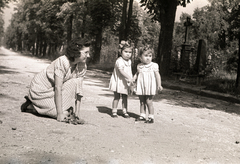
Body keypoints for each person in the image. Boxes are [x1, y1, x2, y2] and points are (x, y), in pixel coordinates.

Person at [21, 38, 91, 124]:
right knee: (64, 113)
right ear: (76, 51)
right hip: (40, 91)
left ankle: (45, 107)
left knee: (75, 82)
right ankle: (31, 106)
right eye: (86, 52)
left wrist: (77, 114)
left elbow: (79, 90)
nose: (88, 56)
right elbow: (58, 87)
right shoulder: (63, 62)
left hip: (53, 91)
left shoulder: (82, 66)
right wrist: (59, 114)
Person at [133, 45, 163, 123]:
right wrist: (133, 79)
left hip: (150, 86)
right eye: (146, 56)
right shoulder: (139, 66)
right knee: (142, 101)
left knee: (149, 101)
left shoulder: (154, 66)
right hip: (142, 86)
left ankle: (151, 116)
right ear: (140, 57)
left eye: (150, 56)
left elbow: (157, 76)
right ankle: (142, 115)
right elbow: (137, 73)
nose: (148, 58)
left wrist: (159, 84)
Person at [109, 40, 133, 118]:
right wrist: (128, 77)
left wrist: (131, 81)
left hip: (125, 82)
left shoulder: (129, 61)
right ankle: (114, 111)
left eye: (130, 52)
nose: (128, 54)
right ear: (121, 52)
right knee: (117, 96)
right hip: (118, 81)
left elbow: (129, 71)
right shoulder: (119, 61)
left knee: (125, 96)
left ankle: (125, 111)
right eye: (126, 52)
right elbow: (121, 71)